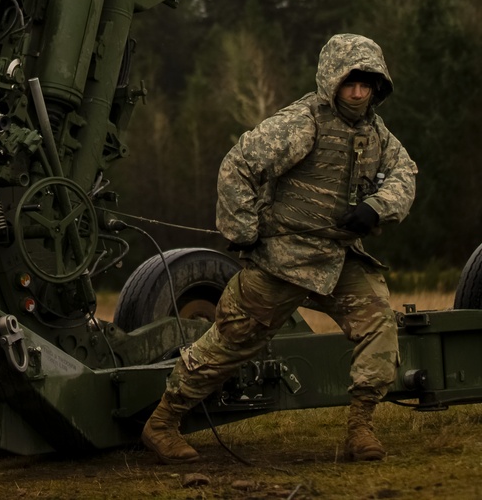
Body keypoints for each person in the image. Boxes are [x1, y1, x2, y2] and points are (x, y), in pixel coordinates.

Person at [142, 33, 417, 465]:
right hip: (283, 260)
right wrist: (243, 230)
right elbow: (239, 164)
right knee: (230, 343)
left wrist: (376, 208)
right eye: (351, 83)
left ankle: (360, 429)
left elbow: (405, 176)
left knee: (379, 325)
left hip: (340, 260)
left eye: (368, 83)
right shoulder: (303, 121)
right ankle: (162, 423)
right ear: (333, 81)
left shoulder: (379, 135)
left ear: (379, 85)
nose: (359, 93)